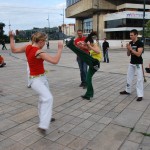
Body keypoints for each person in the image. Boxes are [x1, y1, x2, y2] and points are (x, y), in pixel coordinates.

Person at [9, 31, 63, 134]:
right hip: (36, 80)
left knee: (43, 99)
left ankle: (45, 117)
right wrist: (60, 49)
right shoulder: (39, 52)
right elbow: (55, 61)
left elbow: (13, 49)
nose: (44, 43)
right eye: (45, 41)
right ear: (41, 41)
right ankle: (43, 125)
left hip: (41, 78)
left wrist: (11, 37)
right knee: (48, 98)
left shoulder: (28, 47)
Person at [67, 31, 101, 100]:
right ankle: (89, 94)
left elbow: (98, 51)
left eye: (88, 44)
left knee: (82, 55)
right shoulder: (90, 45)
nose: (87, 45)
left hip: (95, 62)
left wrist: (90, 46)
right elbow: (84, 47)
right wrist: (80, 45)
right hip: (93, 64)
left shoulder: (94, 44)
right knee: (88, 79)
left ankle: (70, 45)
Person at [120, 29, 144, 102]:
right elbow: (128, 54)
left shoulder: (140, 43)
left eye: (132, 35)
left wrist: (131, 49)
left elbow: (138, 54)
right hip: (132, 62)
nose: (130, 36)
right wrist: (128, 49)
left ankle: (140, 95)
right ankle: (128, 90)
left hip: (138, 63)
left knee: (139, 79)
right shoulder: (130, 42)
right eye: (130, 35)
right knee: (129, 77)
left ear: (136, 35)